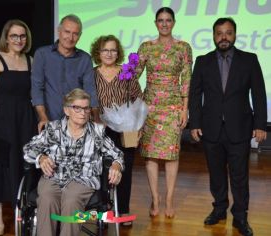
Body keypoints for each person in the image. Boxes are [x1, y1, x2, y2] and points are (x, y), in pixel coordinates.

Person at [188, 17, 267, 236]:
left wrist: (261, 124)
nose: (224, 37)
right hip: (210, 127)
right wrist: (194, 123)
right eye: (219, 33)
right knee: (216, 174)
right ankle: (219, 209)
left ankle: (240, 216)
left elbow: (258, 94)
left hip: (240, 127)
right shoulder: (202, 61)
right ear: (214, 36)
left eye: (228, 33)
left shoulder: (249, 60)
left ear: (235, 35)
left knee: (239, 175)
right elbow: (195, 95)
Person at [23, 88, 124, 236]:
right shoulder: (53, 129)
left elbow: (117, 154)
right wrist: (41, 158)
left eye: (86, 108)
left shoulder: (96, 132)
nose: (83, 113)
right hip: (54, 176)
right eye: (77, 108)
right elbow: (29, 148)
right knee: (46, 198)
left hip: (83, 179)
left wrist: (116, 165)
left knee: (71, 200)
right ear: (67, 110)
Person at [0, 19, 38, 235]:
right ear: (6, 37)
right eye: (14, 36)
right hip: (1, 118)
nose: (19, 40)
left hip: (25, 119)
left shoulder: (30, 61)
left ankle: (20, 208)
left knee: (22, 162)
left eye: (22, 36)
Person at [135, 7, 193, 218]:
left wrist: (185, 109)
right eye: (161, 20)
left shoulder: (183, 48)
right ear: (155, 23)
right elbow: (133, 75)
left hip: (173, 107)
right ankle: (155, 198)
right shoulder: (146, 47)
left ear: (174, 23)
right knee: (150, 155)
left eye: (168, 20)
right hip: (149, 107)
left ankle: (168, 199)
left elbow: (186, 79)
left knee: (170, 154)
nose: (165, 24)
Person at [90, 35, 142, 226]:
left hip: (127, 129)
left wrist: (138, 126)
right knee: (100, 170)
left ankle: (123, 210)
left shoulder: (127, 72)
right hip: (99, 129)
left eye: (113, 50)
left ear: (118, 52)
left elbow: (138, 98)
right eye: (105, 50)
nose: (109, 54)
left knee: (125, 170)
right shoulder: (92, 73)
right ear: (98, 52)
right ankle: (104, 209)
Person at [31, 14, 99, 133]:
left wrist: (96, 118)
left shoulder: (85, 59)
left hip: (77, 123)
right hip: (49, 121)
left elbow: (90, 90)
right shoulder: (42, 54)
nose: (70, 37)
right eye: (67, 32)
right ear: (59, 31)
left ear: (80, 36)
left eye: (75, 33)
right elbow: (37, 88)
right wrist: (43, 117)